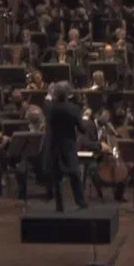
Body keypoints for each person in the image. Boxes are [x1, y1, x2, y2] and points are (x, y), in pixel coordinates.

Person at [41, 81, 88, 212]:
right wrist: (84, 119)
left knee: (57, 176)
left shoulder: (49, 108)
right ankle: (81, 202)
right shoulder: (74, 109)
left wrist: (50, 93)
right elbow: (82, 129)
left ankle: (59, 205)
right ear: (68, 95)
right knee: (75, 174)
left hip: (53, 145)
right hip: (69, 146)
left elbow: (48, 100)